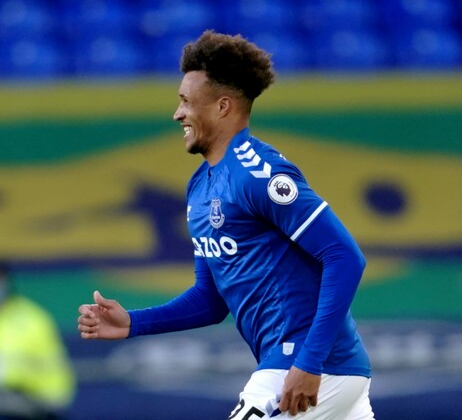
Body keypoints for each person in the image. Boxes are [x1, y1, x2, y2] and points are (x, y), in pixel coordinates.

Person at [77, 30, 374, 419]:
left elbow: (344, 256)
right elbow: (211, 299)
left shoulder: (258, 174)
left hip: (306, 366)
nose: (177, 113)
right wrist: (134, 322)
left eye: (186, 102)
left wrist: (309, 361)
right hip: (319, 368)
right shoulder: (200, 185)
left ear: (222, 107)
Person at [0, 260, 76, 420]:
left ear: (6, 282)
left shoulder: (34, 319)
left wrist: (52, 405)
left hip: (27, 404)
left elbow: (56, 370)